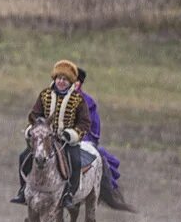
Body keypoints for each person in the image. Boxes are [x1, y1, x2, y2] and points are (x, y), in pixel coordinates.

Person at [11, 59, 90, 209]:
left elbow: (84, 123)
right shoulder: (45, 95)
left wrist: (71, 134)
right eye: (59, 78)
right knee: (23, 157)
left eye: (65, 79)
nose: (61, 81)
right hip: (44, 138)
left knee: (75, 161)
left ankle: (68, 195)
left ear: (71, 81)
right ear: (54, 78)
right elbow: (34, 115)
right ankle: (23, 190)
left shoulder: (78, 100)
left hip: (66, 141)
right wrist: (31, 130)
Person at [74, 67, 122, 190]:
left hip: (82, 136)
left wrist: (83, 137)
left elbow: (94, 124)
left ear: (80, 83)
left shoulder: (88, 101)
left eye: (76, 81)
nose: (73, 83)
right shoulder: (56, 97)